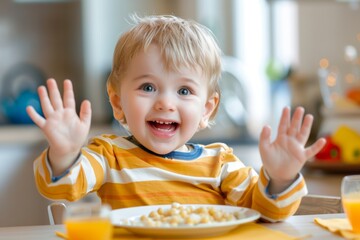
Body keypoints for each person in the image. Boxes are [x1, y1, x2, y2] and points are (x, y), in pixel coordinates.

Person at [27, 15, 325, 222]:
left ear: (206, 109)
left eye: (184, 90)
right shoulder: (108, 156)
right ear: (117, 101)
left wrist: (281, 179)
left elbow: (268, 212)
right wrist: (64, 155)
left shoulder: (220, 164)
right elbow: (61, 187)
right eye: (148, 87)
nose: (165, 103)